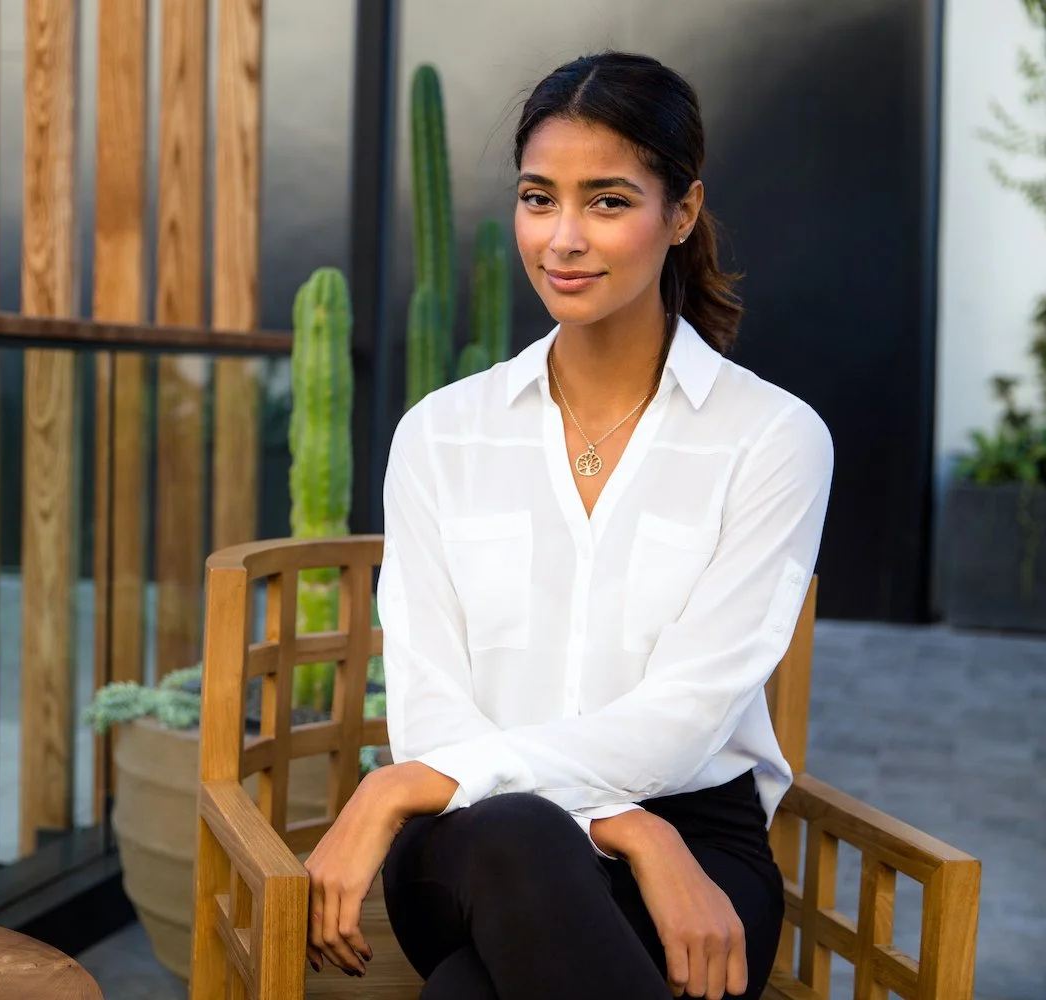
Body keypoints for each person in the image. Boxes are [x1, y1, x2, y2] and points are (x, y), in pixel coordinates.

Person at [301, 50, 835, 999]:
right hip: (469, 841)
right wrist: (624, 826)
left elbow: (689, 714)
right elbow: (429, 704)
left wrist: (393, 786)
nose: (563, 239)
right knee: (518, 834)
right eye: (539, 198)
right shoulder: (441, 435)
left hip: (698, 844)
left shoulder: (773, 439)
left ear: (681, 213)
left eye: (608, 201)